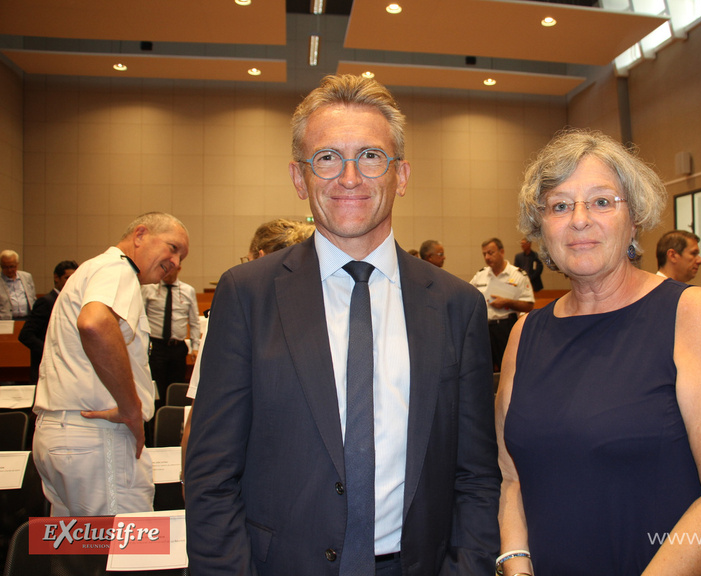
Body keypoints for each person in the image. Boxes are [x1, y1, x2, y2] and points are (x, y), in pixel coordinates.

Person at [185, 75, 500, 576]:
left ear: (401, 175)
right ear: (298, 177)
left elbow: (477, 475)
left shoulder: (456, 305)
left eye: (371, 156)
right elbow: (210, 472)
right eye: (327, 157)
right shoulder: (247, 295)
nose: (348, 177)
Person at [496, 129, 701, 575]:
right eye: (560, 205)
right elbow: (512, 478)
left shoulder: (689, 314)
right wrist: (516, 565)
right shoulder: (525, 334)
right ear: (541, 226)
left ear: (634, 218)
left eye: (602, 201)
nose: (579, 219)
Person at [32, 212, 189, 516]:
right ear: (140, 235)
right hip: (96, 438)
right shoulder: (119, 268)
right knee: (127, 554)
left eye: (181, 256)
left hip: (61, 434)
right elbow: (94, 324)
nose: (176, 261)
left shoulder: (94, 269)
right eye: (172, 247)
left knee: (78, 555)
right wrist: (131, 407)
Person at [179, 218, 316, 480]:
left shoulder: (235, 313)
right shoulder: (322, 314)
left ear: (259, 257)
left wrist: (189, 479)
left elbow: (202, 419)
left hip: (246, 473)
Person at [469, 238, 534, 371]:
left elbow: (529, 305)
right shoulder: (480, 275)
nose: (487, 257)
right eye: (484, 254)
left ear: (502, 252)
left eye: (490, 253)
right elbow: (468, 299)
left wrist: (507, 302)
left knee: (509, 367)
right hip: (484, 327)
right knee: (482, 369)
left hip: (505, 327)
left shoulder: (518, 275)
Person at [140, 265, 200, 408]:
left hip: (177, 347)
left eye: (170, 269)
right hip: (156, 347)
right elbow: (141, 317)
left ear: (179, 269)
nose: (165, 272)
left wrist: (195, 347)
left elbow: (194, 321)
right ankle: (155, 426)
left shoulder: (188, 290)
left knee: (176, 387)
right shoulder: (149, 289)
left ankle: (173, 420)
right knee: (156, 389)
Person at [18, 260, 79, 383]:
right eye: (67, 278)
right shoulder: (46, 302)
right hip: (46, 367)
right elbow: (26, 335)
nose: (71, 282)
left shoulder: (71, 301)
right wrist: (50, 351)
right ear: (56, 278)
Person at [0, 249, 36, 319]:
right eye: (5, 267)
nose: (9, 270)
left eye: (12, 266)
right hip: (5, 320)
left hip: (27, 318)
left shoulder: (27, 277)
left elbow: (33, 298)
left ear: (17, 264)